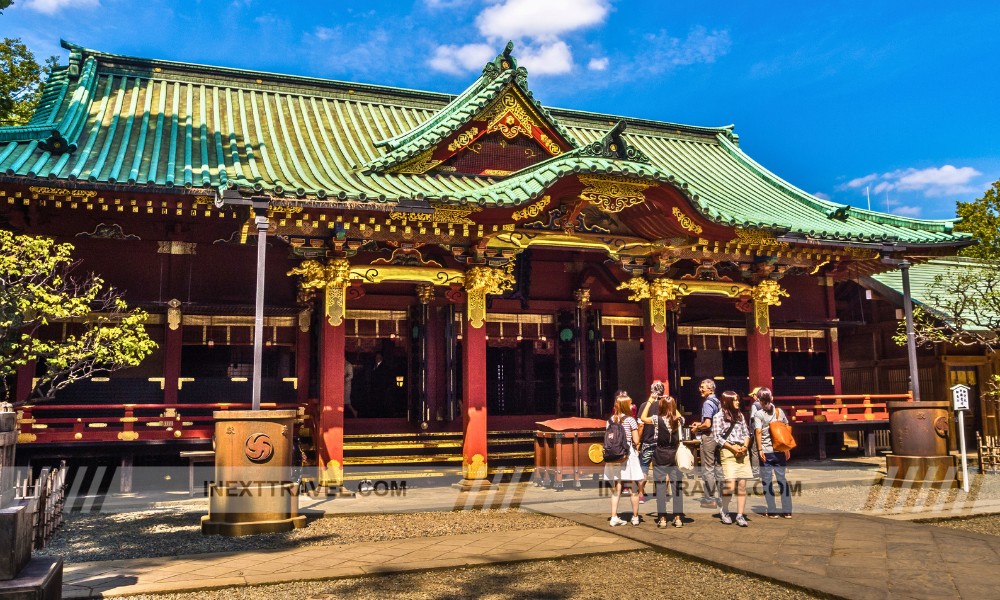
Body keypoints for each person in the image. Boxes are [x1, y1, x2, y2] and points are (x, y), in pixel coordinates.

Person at [640, 393, 685, 528]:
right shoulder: (679, 419)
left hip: (660, 453)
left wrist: (650, 401)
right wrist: (670, 402)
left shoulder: (656, 419)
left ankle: (662, 518)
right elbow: (677, 414)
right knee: (676, 488)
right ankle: (677, 518)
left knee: (660, 488)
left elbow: (642, 418)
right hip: (675, 454)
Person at [713, 390, 754, 527]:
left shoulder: (740, 415)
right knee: (730, 484)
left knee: (742, 485)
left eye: (738, 399)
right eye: (735, 400)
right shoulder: (718, 416)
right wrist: (732, 448)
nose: (738, 402)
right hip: (728, 451)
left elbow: (746, 433)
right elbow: (717, 437)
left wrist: (745, 446)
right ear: (728, 401)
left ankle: (740, 515)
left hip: (742, 450)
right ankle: (724, 509)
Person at [605, 392, 644, 526]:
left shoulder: (610, 420)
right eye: (630, 403)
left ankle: (614, 516)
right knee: (633, 487)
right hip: (628, 455)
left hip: (614, 456)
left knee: (617, 487)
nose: (632, 405)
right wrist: (640, 429)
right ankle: (635, 517)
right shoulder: (630, 420)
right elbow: (636, 440)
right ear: (626, 405)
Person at [753, 387, 793, 518]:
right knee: (782, 479)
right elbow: (786, 428)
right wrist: (786, 448)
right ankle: (787, 511)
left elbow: (758, 431)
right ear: (772, 398)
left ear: (759, 400)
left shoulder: (758, 414)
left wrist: (759, 449)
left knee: (767, 481)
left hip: (766, 451)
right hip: (780, 450)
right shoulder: (779, 412)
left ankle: (772, 510)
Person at [689, 379, 722, 508]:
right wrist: (700, 423)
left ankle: (709, 498)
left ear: (711, 389)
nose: (700, 389)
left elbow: (708, 424)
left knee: (707, 468)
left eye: (703, 387)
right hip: (718, 437)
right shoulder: (717, 401)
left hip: (709, 437)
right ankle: (721, 496)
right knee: (718, 466)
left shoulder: (708, 403)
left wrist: (698, 428)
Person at [635, 380, 666, 504]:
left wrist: (638, 441)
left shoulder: (643, 406)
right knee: (663, 469)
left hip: (647, 441)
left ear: (651, 391)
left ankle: (641, 494)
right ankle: (662, 494)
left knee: (644, 468)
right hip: (661, 442)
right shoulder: (665, 405)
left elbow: (641, 426)